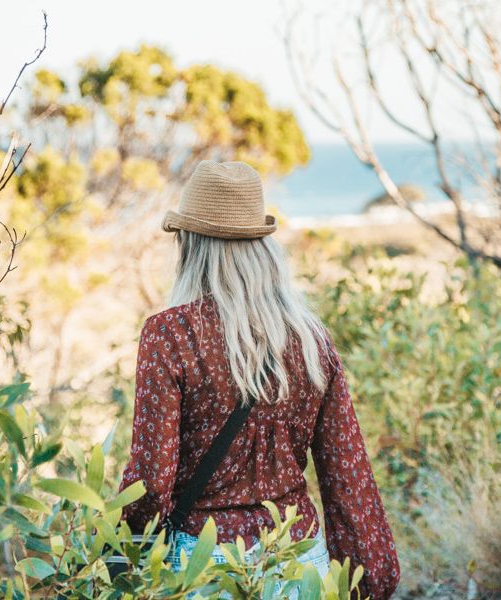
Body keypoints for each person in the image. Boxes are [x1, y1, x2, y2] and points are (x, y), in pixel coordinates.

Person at [117, 160, 400, 598]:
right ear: (262, 246)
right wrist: (371, 577)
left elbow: (151, 483)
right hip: (299, 559)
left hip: (200, 567)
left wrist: (117, 543)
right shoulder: (309, 340)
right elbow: (346, 475)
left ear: (189, 244)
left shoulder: (169, 335)